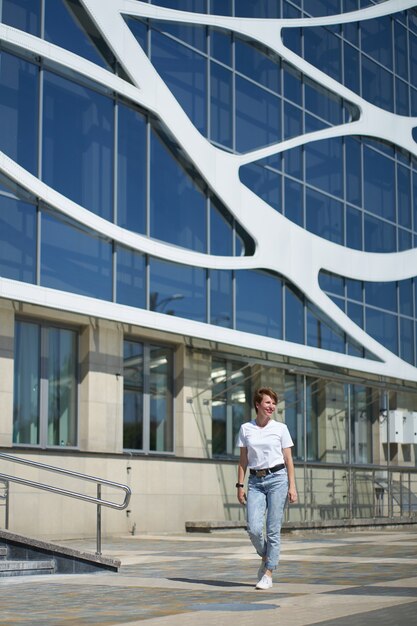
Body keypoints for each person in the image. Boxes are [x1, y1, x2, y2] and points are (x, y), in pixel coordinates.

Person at [236, 386, 297, 590]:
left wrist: (293, 486)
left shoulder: (281, 428)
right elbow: (243, 460)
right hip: (255, 481)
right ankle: (265, 555)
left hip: (278, 479)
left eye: (273, 403)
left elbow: (288, 459)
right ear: (257, 404)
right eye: (267, 402)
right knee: (253, 528)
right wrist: (239, 485)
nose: (271, 406)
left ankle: (269, 573)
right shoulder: (246, 428)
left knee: (272, 530)